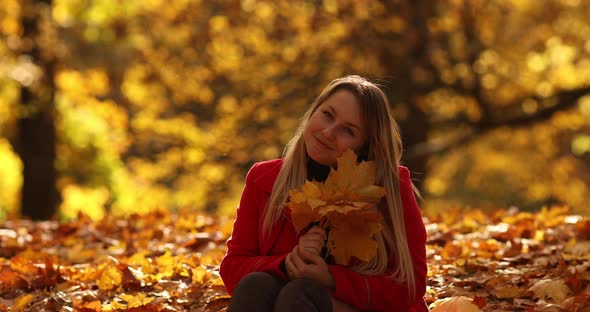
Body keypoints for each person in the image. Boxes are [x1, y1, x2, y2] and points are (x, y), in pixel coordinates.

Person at [220, 75, 428, 312]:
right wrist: (286, 264)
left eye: (348, 130)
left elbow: (411, 284)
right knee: (255, 284)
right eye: (327, 115)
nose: (329, 132)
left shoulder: (388, 187)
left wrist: (331, 278)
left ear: (365, 146)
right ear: (313, 111)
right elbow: (232, 267)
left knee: (301, 295)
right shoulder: (264, 178)